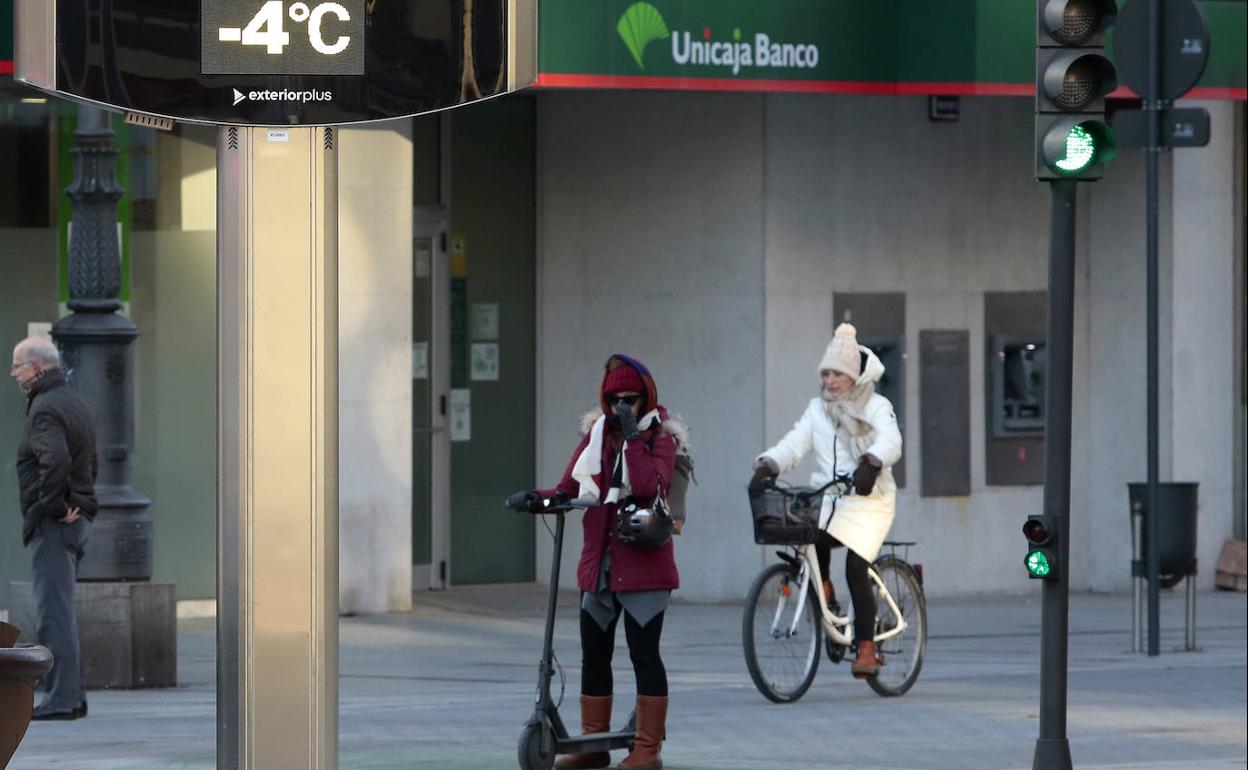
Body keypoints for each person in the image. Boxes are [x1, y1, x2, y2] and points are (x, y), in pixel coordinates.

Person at [508, 354, 685, 770]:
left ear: (647, 398)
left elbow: (647, 486)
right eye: (616, 399)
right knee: (593, 654)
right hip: (601, 566)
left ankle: (648, 749)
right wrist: (537, 499)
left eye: (633, 399)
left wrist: (633, 439)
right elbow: (568, 486)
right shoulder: (596, 436)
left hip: (645, 569)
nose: (625, 406)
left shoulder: (661, 439)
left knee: (644, 655)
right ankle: (593, 745)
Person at [752, 323, 902, 680]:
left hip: (870, 501)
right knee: (808, 534)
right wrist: (769, 463)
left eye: (838, 374)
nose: (831, 380)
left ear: (854, 377)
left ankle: (866, 647)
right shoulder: (817, 409)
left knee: (855, 566)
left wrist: (872, 461)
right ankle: (827, 597)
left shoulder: (877, 405)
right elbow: (794, 443)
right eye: (827, 373)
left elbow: (892, 440)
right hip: (831, 498)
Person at [11, 336, 98, 720]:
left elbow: (56, 460)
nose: (13, 373)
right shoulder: (72, 399)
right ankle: (71, 696)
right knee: (62, 611)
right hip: (76, 521)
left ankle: (61, 699)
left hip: (56, 524)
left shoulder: (44, 409)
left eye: (17, 365)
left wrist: (56, 506)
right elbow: (89, 461)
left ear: (36, 367)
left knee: (53, 614)